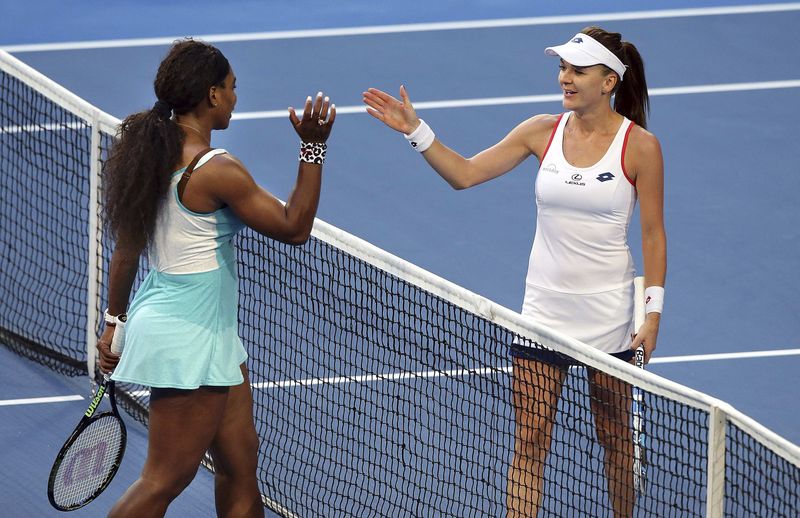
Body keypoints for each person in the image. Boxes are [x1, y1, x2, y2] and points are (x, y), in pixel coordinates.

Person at [363, 26, 665, 517]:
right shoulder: (539, 132)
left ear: (609, 81)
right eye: (562, 68)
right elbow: (464, 174)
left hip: (611, 316)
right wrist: (416, 131)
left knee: (616, 439)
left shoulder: (640, 147)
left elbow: (653, 234)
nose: (564, 78)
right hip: (542, 312)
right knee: (530, 439)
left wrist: (651, 316)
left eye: (577, 70)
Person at [96, 38, 335, 518]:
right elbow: (295, 227)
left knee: (240, 465)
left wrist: (114, 321)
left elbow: (125, 252)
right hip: (190, 337)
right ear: (211, 96)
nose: (235, 97)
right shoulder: (216, 169)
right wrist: (313, 146)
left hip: (204, 331)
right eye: (231, 88)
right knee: (163, 480)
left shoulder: (153, 154)